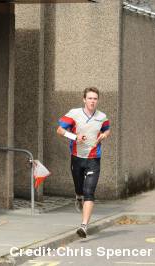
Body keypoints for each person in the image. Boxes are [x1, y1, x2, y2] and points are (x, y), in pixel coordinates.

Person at [56, 87, 110, 238]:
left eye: (95, 99)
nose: (92, 101)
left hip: (94, 159)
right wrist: (74, 137)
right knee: (80, 189)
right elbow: (59, 130)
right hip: (77, 158)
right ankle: (78, 196)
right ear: (84, 99)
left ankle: (84, 226)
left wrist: (104, 136)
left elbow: (107, 129)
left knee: (89, 191)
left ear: (97, 100)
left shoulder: (102, 116)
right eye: (90, 98)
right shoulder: (74, 113)